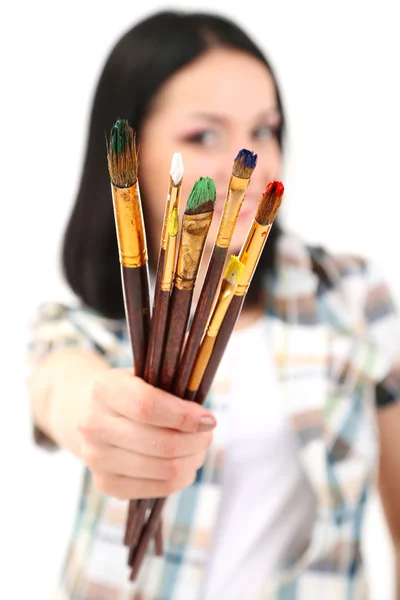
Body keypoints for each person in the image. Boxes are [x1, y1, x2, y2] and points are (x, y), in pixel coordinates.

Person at [27, 9, 400, 600]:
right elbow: (61, 389)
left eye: (265, 129)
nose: (247, 164)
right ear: (130, 152)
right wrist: (100, 422)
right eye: (204, 135)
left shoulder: (352, 295)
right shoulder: (78, 326)